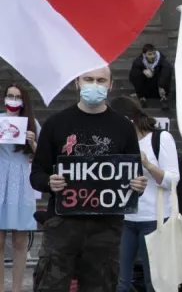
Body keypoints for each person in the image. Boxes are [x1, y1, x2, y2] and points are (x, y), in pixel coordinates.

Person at [30, 66, 148, 291]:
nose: (95, 84)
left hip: (106, 227)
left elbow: (135, 177)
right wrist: (49, 182)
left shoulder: (123, 127)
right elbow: (37, 174)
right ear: (77, 83)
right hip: (62, 225)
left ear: (111, 85)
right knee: (50, 285)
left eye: (101, 80)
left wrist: (138, 185)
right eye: (89, 79)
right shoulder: (56, 123)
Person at [110, 96, 181, 292]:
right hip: (124, 218)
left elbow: (173, 180)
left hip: (154, 218)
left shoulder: (160, 139)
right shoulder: (117, 142)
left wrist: (147, 165)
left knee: (155, 283)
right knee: (119, 282)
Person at [0, 84, 39, 292]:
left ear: (23, 101)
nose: (13, 100)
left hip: (22, 180)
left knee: (20, 239)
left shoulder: (32, 124)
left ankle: (16, 288)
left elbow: (43, 157)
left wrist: (33, 142)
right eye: (9, 96)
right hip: (0, 178)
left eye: (17, 97)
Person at [128, 44, 173, 110]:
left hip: (159, 89)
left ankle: (163, 99)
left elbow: (168, 68)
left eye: (154, 53)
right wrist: (143, 72)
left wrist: (161, 85)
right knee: (136, 74)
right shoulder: (138, 61)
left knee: (166, 70)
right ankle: (141, 98)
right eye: (149, 54)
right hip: (145, 90)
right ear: (144, 55)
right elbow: (132, 75)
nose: (153, 56)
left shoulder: (161, 60)